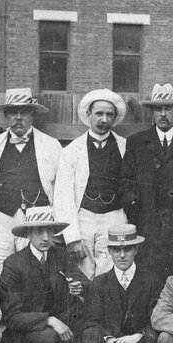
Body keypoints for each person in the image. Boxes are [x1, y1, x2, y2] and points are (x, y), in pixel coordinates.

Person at [0, 87, 62, 343]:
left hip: (35, 222)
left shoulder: (51, 146)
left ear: (33, 116)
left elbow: (59, 188)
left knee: (34, 283)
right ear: (5, 116)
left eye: (24, 113)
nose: (18, 118)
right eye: (13, 113)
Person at [77, 225, 162, 343]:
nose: (122, 255)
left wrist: (136, 336)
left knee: (152, 337)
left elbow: (158, 317)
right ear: (109, 251)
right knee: (89, 334)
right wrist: (109, 339)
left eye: (127, 249)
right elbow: (91, 320)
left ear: (136, 250)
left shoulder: (151, 281)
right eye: (116, 250)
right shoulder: (100, 282)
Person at [122, 83, 173, 280]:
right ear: (152, 112)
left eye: (168, 108)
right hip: (147, 226)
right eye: (158, 109)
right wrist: (136, 208)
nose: (163, 114)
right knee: (148, 278)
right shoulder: (136, 142)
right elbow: (124, 182)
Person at [0, 207, 88, 343]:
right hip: (28, 329)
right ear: (28, 234)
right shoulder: (14, 264)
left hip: (61, 319)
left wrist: (80, 288)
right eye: (39, 232)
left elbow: (85, 283)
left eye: (50, 231)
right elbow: (12, 317)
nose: (46, 238)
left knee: (89, 317)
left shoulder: (61, 255)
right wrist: (49, 320)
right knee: (49, 336)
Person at [54, 88, 130, 280]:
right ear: (89, 114)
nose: (104, 119)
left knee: (111, 274)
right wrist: (72, 237)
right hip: (84, 217)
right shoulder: (72, 150)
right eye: (99, 114)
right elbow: (63, 196)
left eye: (109, 115)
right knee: (83, 274)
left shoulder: (125, 147)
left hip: (114, 217)